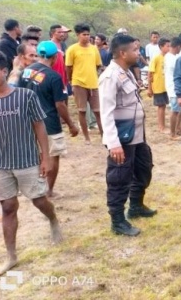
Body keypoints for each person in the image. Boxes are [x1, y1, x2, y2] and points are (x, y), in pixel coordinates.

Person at [0, 50, 63, 276]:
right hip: (0, 163)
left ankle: (53, 220)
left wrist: (45, 157)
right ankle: (11, 256)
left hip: (27, 161)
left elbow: (39, 125)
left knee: (39, 201)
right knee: (8, 207)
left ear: (4, 71)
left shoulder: (25, 96)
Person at [99, 35, 157, 236]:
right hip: (122, 138)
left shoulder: (126, 72)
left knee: (143, 168)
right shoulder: (110, 76)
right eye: (135, 50)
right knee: (119, 178)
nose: (138, 53)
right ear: (123, 53)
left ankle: (136, 206)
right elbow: (106, 113)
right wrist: (113, 144)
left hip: (137, 134)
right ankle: (117, 221)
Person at [18, 41, 79, 198]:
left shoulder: (25, 72)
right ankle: (48, 191)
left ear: (38, 54)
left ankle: (32, 187)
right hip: (49, 122)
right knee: (53, 155)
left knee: (35, 155)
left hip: (28, 121)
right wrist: (71, 124)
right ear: (56, 58)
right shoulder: (54, 76)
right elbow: (60, 105)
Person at [66, 23, 103, 143]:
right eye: (84, 34)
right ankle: (87, 137)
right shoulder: (72, 49)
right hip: (78, 83)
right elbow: (68, 67)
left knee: (98, 111)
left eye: (88, 34)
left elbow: (98, 65)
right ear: (78, 35)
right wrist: (71, 80)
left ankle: (104, 135)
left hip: (93, 83)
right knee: (82, 110)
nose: (86, 37)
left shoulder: (94, 49)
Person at [148, 37, 171, 134]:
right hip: (158, 86)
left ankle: (163, 125)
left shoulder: (169, 57)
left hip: (166, 86)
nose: (169, 48)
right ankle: (161, 127)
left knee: (164, 106)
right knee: (161, 106)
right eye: (167, 46)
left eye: (170, 46)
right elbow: (150, 74)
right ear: (161, 47)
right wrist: (150, 88)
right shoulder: (156, 58)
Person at [49, 25, 70, 94]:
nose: (62, 34)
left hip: (63, 78)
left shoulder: (63, 45)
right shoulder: (49, 45)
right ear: (52, 33)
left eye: (63, 32)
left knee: (64, 99)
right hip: (53, 79)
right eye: (59, 32)